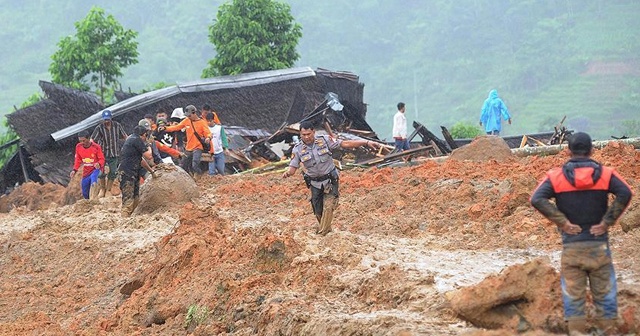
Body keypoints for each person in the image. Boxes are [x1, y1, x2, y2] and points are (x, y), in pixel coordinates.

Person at [530, 132, 632, 335]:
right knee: (605, 297)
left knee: (573, 300)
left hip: (572, 248)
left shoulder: (556, 177)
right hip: (599, 247)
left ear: (568, 151)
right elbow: (626, 192)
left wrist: (563, 223)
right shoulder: (606, 174)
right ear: (592, 149)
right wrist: (606, 222)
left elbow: (536, 198)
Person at [282, 120, 380, 235]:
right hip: (314, 183)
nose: (307, 137)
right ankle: (324, 229)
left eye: (309, 134)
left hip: (330, 179)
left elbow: (345, 144)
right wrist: (288, 173)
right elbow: (293, 168)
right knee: (318, 211)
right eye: (304, 135)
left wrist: (366, 142)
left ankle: (323, 233)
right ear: (300, 134)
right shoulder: (297, 149)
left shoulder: (324, 140)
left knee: (328, 206)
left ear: (313, 132)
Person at [118, 125, 159, 217]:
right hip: (127, 173)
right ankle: (124, 220)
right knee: (128, 200)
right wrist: (149, 145)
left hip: (132, 172)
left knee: (136, 199)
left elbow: (141, 160)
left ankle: (129, 219)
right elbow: (148, 156)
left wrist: (151, 172)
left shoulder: (131, 139)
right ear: (143, 135)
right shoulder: (136, 140)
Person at [161, 105, 212, 178]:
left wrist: (208, 138)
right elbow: (176, 127)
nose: (188, 117)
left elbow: (208, 133)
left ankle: (200, 176)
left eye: (189, 115)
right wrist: (165, 128)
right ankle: (186, 178)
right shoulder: (187, 120)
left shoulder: (202, 122)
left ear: (194, 113)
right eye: (187, 115)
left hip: (198, 146)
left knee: (195, 163)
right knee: (183, 164)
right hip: (189, 147)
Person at [91, 109, 128, 197]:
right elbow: (93, 140)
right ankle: (102, 188)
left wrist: (129, 143)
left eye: (108, 119)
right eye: (105, 119)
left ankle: (108, 189)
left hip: (114, 153)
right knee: (101, 172)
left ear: (111, 118)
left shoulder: (117, 125)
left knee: (113, 172)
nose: (106, 121)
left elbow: (124, 136)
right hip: (102, 153)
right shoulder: (99, 128)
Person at [70, 130, 105, 200]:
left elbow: (102, 159)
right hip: (86, 171)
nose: (82, 143)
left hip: (96, 169)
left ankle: (94, 199)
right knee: (85, 192)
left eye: (84, 141)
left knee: (93, 183)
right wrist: (74, 170)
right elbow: (78, 160)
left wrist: (98, 163)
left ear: (89, 139)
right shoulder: (78, 147)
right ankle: (88, 202)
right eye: (80, 141)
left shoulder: (96, 147)